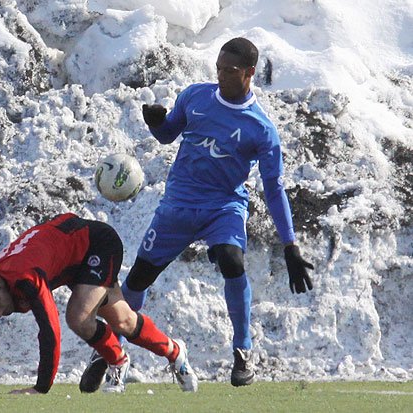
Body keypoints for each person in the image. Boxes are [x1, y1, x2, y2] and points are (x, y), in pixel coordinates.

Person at [81, 37, 314, 389]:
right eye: (218, 68)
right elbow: (167, 135)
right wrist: (156, 122)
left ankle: (243, 351)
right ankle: (109, 348)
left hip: (224, 206)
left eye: (230, 71)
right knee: (139, 278)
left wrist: (290, 245)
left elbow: (274, 188)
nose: (221, 75)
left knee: (233, 262)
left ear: (250, 73)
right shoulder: (195, 96)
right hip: (178, 205)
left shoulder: (261, 129)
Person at [0, 213, 198, 395]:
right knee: (122, 320)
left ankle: (118, 361)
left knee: (77, 318)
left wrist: (40, 388)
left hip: (96, 243)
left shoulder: (25, 278)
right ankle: (175, 351)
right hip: (69, 255)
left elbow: (49, 331)